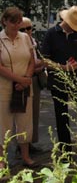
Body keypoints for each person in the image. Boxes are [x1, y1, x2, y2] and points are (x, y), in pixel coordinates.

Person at [41, 6, 77, 154]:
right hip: (58, 81)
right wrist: (62, 68)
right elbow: (45, 60)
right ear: (66, 21)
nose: (74, 29)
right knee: (62, 117)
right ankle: (66, 153)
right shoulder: (51, 34)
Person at [0, 7, 36, 168]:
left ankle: (26, 157)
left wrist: (27, 79)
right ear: (4, 21)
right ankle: (2, 162)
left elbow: (32, 61)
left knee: (25, 123)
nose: (16, 25)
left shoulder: (25, 38)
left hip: (25, 87)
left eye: (19, 21)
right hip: (4, 88)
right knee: (4, 125)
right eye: (13, 21)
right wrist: (19, 80)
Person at [19, 17, 44, 153]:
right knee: (20, 116)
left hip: (35, 81)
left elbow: (41, 60)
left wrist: (40, 66)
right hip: (21, 81)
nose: (27, 31)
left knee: (33, 115)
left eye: (29, 28)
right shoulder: (17, 43)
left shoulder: (35, 42)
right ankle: (20, 146)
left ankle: (30, 144)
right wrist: (36, 66)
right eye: (23, 29)